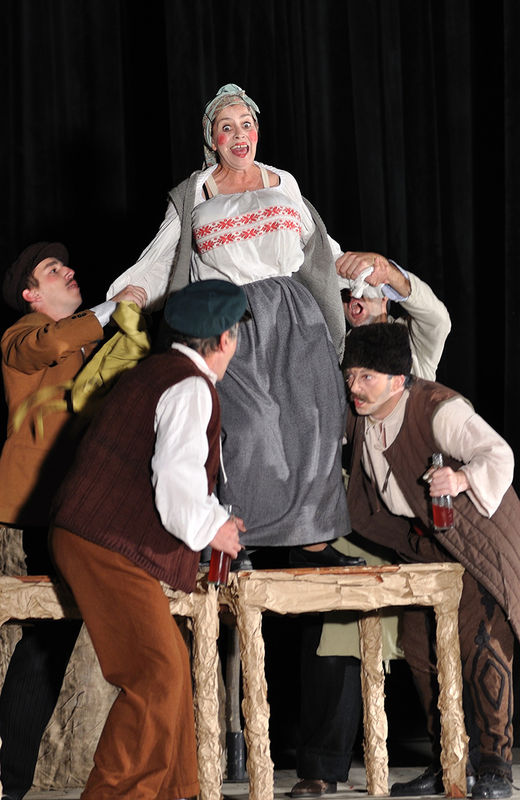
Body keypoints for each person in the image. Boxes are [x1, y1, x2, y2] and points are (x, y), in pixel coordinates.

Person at [106, 82, 352, 557]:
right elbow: (163, 259)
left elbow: (321, 249)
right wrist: (133, 290)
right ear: (212, 138)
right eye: (227, 127)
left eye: (247, 124)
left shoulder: (283, 182)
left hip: (294, 315)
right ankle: (240, 541)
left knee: (313, 422)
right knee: (247, 427)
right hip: (229, 318)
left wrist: (363, 273)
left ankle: (315, 542)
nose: (239, 135)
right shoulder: (194, 194)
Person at [49, 279, 248, 800]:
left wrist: (211, 521)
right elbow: (176, 479)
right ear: (225, 338)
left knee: (170, 668)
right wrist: (213, 529)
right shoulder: (190, 386)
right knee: (155, 673)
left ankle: (178, 792)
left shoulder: (157, 372)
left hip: (97, 537)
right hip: (103, 542)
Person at [290, 256, 452, 798]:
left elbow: (438, 318)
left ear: (386, 296)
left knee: (427, 639)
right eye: (346, 293)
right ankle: (321, 766)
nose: (355, 300)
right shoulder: (328, 352)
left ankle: (452, 757)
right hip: (348, 508)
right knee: (334, 632)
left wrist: (395, 276)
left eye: (366, 289)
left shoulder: (412, 348)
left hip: (411, 514)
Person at [341, 322, 519, 800]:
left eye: (367, 377)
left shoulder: (437, 409)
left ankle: (495, 764)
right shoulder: (361, 416)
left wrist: (460, 480)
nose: (355, 388)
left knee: (482, 643)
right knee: (421, 650)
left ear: (398, 379)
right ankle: (450, 762)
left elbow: (499, 454)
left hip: (475, 537)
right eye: (351, 376)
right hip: (422, 544)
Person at [0, 241, 146, 800]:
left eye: (65, 264)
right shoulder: (21, 336)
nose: (68, 271)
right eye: (52, 270)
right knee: (45, 636)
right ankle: (10, 776)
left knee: (55, 636)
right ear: (31, 294)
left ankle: (12, 776)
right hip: (38, 509)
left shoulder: (90, 345)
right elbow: (47, 345)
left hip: (82, 506)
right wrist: (110, 309)